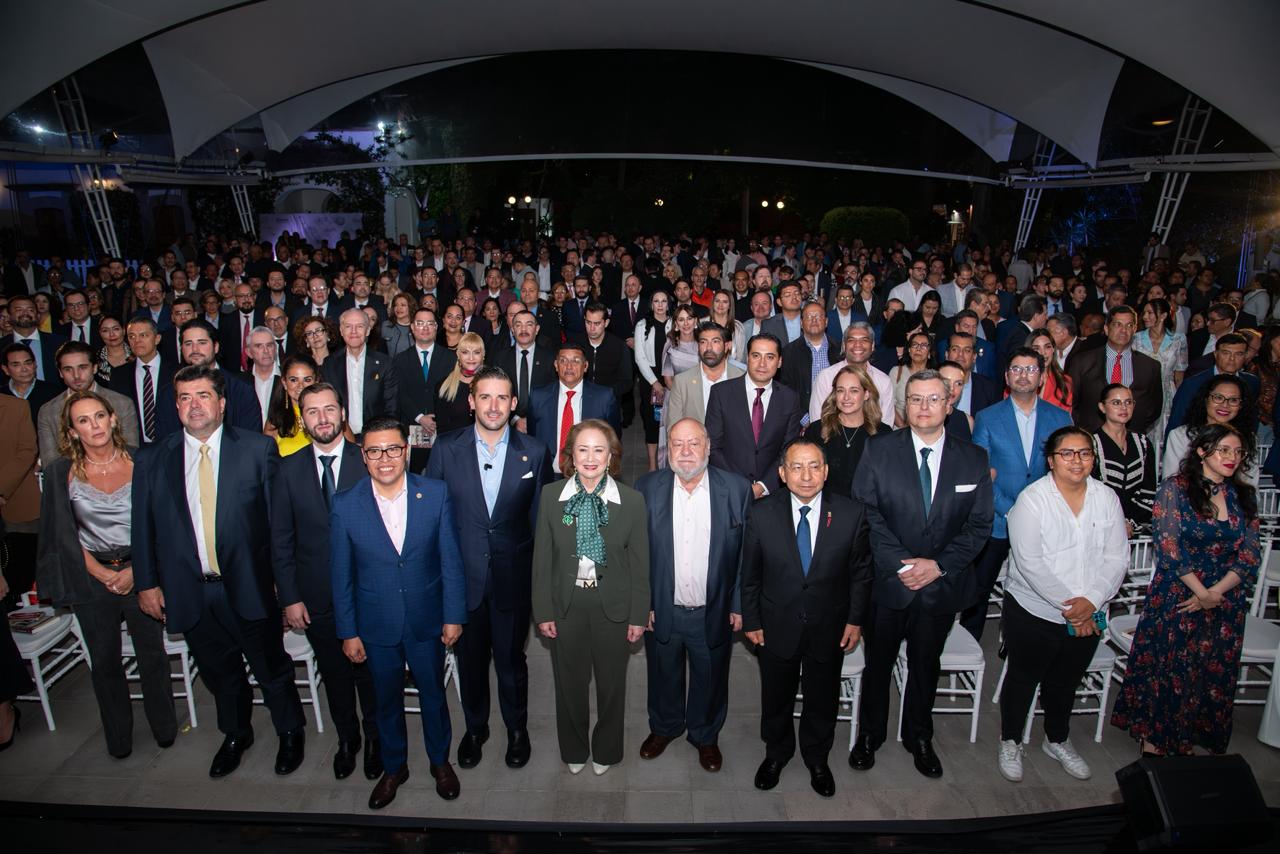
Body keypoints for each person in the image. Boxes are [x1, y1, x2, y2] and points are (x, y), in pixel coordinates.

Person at [133, 364, 306, 779]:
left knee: (271, 667)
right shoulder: (153, 458)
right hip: (190, 591)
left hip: (249, 585)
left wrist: (285, 590)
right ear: (175, 407)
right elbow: (142, 528)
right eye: (185, 398)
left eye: (203, 396)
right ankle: (236, 733)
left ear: (222, 403)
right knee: (219, 672)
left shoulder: (257, 450)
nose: (194, 405)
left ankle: (289, 731)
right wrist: (147, 584)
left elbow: (278, 528)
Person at [850, 369, 994, 779]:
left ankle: (919, 736)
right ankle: (870, 735)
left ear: (950, 404)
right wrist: (903, 563)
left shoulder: (973, 458)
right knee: (878, 663)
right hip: (889, 582)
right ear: (904, 405)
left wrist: (938, 566)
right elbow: (865, 511)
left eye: (933, 399)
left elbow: (979, 525)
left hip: (940, 585)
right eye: (915, 399)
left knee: (925, 663)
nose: (924, 407)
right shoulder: (878, 449)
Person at [35, 390, 177, 759]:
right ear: (72, 431)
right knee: (104, 662)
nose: (94, 425)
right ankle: (119, 739)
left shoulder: (143, 461)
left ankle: (164, 728)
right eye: (83, 420)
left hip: (141, 572)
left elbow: (162, 522)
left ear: (113, 419)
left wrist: (136, 571)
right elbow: (62, 533)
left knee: (153, 655)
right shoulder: (60, 473)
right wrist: (101, 573)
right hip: (90, 577)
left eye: (99, 416)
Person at [332, 415, 465, 806]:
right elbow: (340, 575)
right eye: (375, 451)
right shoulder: (345, 505)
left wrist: (453, 615)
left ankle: (440, 762)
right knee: (385, 700)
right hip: (376, 624)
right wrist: (348, 632)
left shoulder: (435, 494)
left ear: (406, 451)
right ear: (364, 457)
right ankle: (394, 768)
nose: (384, 459)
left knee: (433, 696)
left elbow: (451, 561)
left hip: (427, 619)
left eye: (392, 449)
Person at [426, 367, 553, 770]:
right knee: (471, 663)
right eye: (485, 397)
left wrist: (542, 586)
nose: (493, 406)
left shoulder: (535, 451)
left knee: (512, 663)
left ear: (513, 403)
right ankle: (475, 728)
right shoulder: (446, 449)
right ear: (471, 402)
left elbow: (542, 523)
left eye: (502, 398)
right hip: (463, 581)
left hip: (512, 579)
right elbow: (433, 522)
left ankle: (517, 730)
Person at [1111, 424, 1261, 755]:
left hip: (1225, 597)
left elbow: (1250, 554)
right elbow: (1169, 548)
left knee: (1209, 672)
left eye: (1238, 452)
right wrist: (1201, 593)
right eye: (1224, 450)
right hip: (1179, 593)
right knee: (1171, 669)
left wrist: (1215, 593)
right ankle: (1156, 740)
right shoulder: (1175, 489)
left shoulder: (1243, 495)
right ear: (1202, 452)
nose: (1232, 458)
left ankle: (1189, 738)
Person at [741, 437, 872, 798]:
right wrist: (752, 620)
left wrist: (855, 620)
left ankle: (817, 758)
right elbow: (749, 575)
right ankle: (776, 753)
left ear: (826, 472)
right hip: (775, 624)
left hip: (829, 625)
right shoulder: (761, 513)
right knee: (776, 696)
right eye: (796, 467)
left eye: (814, 466)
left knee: (822, 697)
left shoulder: (850, 514)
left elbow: (861, 574)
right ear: (782, 474)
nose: (806, 475)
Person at [998, 426, 1128, 782]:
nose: (1077, 460)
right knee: (1023, 678)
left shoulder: (1106, 498)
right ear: (1051, 461)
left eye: (1084, 453)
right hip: (1035, 609)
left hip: (1091, 610)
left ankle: (1056, 739)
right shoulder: (1032, 500)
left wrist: (1092, 600)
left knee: (1066, 680)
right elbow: (1030, 562)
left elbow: (1117, 557)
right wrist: (1073, 607)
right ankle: (1010, 740)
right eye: (1067, 453)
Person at [271, 382, 382, 783]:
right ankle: (347, 739)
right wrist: (290, 597)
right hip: (315, 594)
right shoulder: (287, 470)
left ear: (343, 413)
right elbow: (281, 539)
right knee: (334, 673)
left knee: (369, 673)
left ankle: (375, 738)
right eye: (313, 411)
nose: (323, 418)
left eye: (329, 409)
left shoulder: (368, 460)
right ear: (302, 419)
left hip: (367, 592)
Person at [531, 419, 649, 776]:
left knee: (612, 686)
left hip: (613, 606)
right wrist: (543, 610)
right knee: (569, 684)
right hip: (566, 606)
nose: (591, 458)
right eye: (583, 449)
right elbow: (542, 560)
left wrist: (638, 616)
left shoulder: (631, 501)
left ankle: (607, 749)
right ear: (571, 455)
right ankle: (574, 747)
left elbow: (640, 565)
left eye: (599, 450)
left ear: (611, 456)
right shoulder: (552, 497)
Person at [634, 418, 751, 773]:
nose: (685, 452)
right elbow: (635, 553)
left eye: (694, 443)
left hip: (713, 609)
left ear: (708, 448)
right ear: (667, 448)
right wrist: (643, 604)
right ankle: (665, 726)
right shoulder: (646, 488)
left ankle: (705, 734)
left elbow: (746, 554)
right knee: (662, 672)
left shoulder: (736, 489)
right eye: (677, 444)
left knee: (710, 676)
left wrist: (738, 604)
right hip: (662, 608)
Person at [967, 348, 1073, 640]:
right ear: (1006, 376)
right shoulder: (988, 417)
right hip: (999, 518)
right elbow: (981, 472)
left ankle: (1027, 643)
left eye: (1030, 369)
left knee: (1043, 589)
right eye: (1016, 369)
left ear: (1041, 377)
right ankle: (970, 643)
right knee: (979, 589)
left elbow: (1066, 472)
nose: (1023, 375)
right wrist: (1011, 510)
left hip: (1045, 520)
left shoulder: (1060, 418)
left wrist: (1035, 512)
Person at [705, 333, 803, 499]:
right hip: (727, 490)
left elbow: (789, 450)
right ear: (748, 358)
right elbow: (712, 446)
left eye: (770, 357)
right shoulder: (721, 393)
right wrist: (741, 486)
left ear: (779, 362)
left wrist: (763, 486)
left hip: (772, 493)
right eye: (756, 356)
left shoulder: (790, 399)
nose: (762, 363)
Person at [154, 319, 263, 437]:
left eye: (202, 343)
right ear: (182, 349)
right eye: (188, 344)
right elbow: (165, 442)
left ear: (216, 347)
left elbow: (251, 439)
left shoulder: (241, 389)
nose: (195, 349)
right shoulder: (168, 393)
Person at [525, 341, 622, 474]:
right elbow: (532, 436)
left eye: (576, 361)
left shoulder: (603, 397)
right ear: (556, 365)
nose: (569, 366)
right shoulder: (538, 397)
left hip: (588, 474)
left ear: (585, 366)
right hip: (548, 474)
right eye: (563, 361)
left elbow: (614, 438)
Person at [37, 341, 139, 463]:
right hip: (69, 474)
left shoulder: (122, 403)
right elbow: (50, 463)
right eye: (68, 369)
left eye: (82, 367)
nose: (76, 375)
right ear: (60, 373)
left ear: (95, 368)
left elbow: (130, 454)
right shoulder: (48, 411)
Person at [1067, 306, 1163, 434]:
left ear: (1134, 330)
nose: (1123, 330)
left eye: (1129, 325)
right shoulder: (1082, 362)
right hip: (1091, 436)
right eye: (1118, 324)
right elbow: (1070, 402)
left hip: (1131, 436)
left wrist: (1134, 429)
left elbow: (1154, 408)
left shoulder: (1150, 366)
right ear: (1106, 329)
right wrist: (1084, 431)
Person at [803, 364, 881, 498]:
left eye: (854, 391)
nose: (846, 397)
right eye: (840, 390)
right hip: (826, 506)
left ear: (866, 394)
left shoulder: (882, 433)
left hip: (866, 508)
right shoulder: (817, 430)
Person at [1162, 374, 1258, 481]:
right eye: (1218, 398)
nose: (1225, 405)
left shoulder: (1247, 437)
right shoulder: (1181, 436)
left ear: (1241, 405)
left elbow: (1250, 482)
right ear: (1205, 399)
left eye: (1233, 400)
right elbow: (1171, 480)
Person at [1092, 384, 1157, 535]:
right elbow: (1090, 492)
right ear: (1102, 407)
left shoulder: (1143, 442)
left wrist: (1130, 522)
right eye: (1116, 402)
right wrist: (1117, 523)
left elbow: (1149, 490)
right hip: (1101, 525)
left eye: (1128, 402)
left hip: (1135, 527)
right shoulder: (1091, 443)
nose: (1124, 407)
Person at [322, 308, 398, 436]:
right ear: (341, 330)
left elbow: (391, 408)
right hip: (341, 437)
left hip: (375, 436)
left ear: (368, 330)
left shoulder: (385, 363)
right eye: (348, 326)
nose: (354, 331)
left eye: (359, 326)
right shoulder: (330, 364)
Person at [1165, 333, 1255, 436]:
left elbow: (1251, 418)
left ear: (1245, 356)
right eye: (1226, 353)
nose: (1232, 358)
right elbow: (1177, 421)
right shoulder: (1193, 384)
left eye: (1239, 354)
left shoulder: (1252, 382)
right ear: (1215, 354)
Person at [665, 321, 744, 429]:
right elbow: (673, 428)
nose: (708, 348)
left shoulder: (742, 378)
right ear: (698, 347)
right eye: (703, 342)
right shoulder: (682, 382)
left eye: (715, 341)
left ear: (727, 346)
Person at [1133, 297, 1187, 443]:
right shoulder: (1136, 338)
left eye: (1150, 313)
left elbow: (1179, 374)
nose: (1145, 317)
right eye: (1144, 313)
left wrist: (1180, 401)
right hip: (1142, 391)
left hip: (1167, 392)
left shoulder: (1178, 340)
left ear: (1163, 315)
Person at [634, 292, 673, 471]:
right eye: (656, 301)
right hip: (649, 378)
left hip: (672, 377)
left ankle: (670, 462)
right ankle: (652, 466)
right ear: (651, 304)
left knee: (671, 419)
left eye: (663, 301)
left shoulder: (675, 323)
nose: (660, 304)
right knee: (652, 422)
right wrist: (654, 382)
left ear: (668, 304)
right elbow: (639, 357)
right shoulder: (642, 325)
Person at [264, 354, 319, 456]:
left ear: (316, 382)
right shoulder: (276, 419)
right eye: (294, 380)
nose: (300, 386)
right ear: (284, 383)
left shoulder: (329, 413)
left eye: (307, 380)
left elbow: (349, 452)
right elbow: (265, 459)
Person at [432, 331, 485, 436]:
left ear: (483, 355)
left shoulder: (492, 385)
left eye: (476, 352)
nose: (471, 358)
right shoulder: (444, 386)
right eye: (465, 352)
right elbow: (442, 430)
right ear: (458, 354)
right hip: (453, 444)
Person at [890, 331, 936, 427]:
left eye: (923, 346)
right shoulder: (897, 372)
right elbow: (888, 403)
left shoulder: (935, 377)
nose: (918, 349)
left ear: (929, 353)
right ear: (909, 350)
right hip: (899, 429)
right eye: (915, 345)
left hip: (926, 428)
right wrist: (903, 428)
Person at [1026, 329, 1073, 413]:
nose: (1043, 353)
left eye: (1047, 347)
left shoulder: (1065, 382)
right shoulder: (1018, 380)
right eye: (1036, 348)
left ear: (1053, 349)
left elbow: (1066, 416)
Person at [380, 292, 415, 357]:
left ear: (411, 307)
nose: (398, 308)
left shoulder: (417, 326)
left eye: (403, 305)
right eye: (396, 305)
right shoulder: (386, 325)